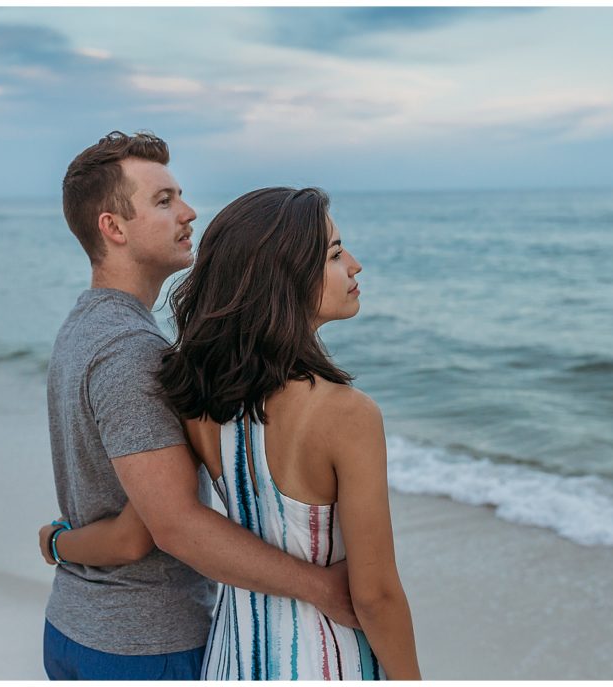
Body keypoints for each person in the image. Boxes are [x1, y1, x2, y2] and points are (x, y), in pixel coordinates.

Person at [45, 186, 421, 680]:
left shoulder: (198, 401)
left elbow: (155, 523)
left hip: (232, 656)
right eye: (333, 254)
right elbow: (375, 595)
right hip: (325, 661)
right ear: (284, 277)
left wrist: (58, 543)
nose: (354, 265)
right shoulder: (348, 415)